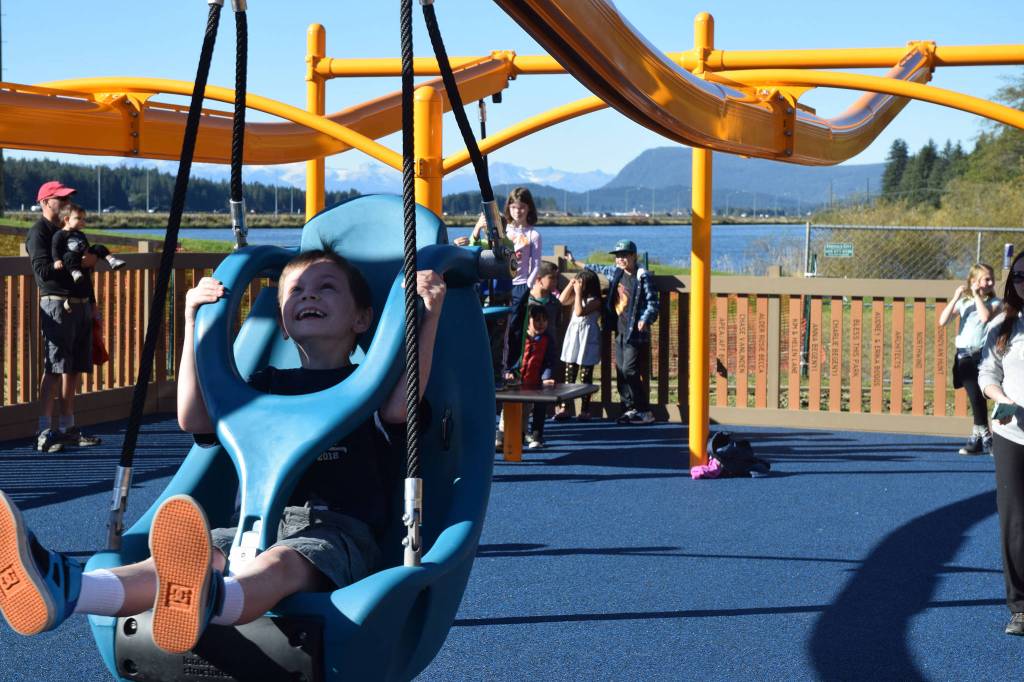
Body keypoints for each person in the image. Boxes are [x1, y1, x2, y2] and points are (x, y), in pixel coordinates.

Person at [0, 249, 447, 655]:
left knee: (284, 562)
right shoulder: (265, 386)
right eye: (296, 291)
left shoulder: (370, 387)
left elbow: (399, 409)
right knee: (178, 562)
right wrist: (196, 321)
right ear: (285, 322)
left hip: (335, 531)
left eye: (326, 287)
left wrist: (426, 315)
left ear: (363, 319)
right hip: (249, 527)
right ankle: (70, 589)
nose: (309, 295)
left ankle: (216, 599)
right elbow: (195, 418)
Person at [24, 181, 101, 452]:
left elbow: (87, 272)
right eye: (60, 199)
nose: (66, 203)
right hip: (56, 304)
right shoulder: (38, 233)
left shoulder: (71, 230)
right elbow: (43, 272)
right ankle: (44, 431)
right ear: (46, 202)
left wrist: (92, 303)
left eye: (68, 198)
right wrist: (79, 263)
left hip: (79, 304)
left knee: (74, 367)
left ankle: (69, 428)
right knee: (55, 367)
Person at [979, 252, 1024, 637]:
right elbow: (986, 373)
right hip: (1012, 434)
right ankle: (1021, 607)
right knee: (1015, 521)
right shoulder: (1003, 325)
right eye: (1020, 276)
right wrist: (1000, 397)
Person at [572, 239, 659, 425]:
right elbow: (597, 268)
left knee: (629, 369)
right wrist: (575, 262)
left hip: (635, 332)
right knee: (620, 370)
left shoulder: (643, 276)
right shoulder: (616, 273)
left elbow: (653, 303)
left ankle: (644, 410)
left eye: (624, 256)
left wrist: (645, 319)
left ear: (633, 256)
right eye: (618, 256)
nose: (620, 259)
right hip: (619, 329)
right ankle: (628, 409)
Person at [938, 263, 1000, 455]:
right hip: (963, 356)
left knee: (980, 397)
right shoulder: (964, 303)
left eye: (992, 279)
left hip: (982, 356)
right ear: (974, 281)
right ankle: (985, 439)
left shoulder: (995, 302)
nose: (990, 282)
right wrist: (956, 297)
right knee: (975, 397)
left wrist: (976, 296)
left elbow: (984, 317)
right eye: (985, 279)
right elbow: (943, 321)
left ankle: (979, 439)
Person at [453, 213, 514, 387]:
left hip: (501, 297)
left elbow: (499, 250)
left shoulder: (507, 244)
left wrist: (491, 232)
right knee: (480, 338)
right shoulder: (480, 244)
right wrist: (476, 231)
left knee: (498, 341)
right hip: (483, 296)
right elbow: (471, 252)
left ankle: (497, 376)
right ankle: (478, 376)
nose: (490, 233)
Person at [503, 305, 557, 449]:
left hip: (537, 382)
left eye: (544, 320)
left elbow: (550, 361)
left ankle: (536, 436)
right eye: (537, 320)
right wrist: (509, 371)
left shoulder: (547, 340)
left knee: (539, 407)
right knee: (515, 409)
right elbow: (512, 357)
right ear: (528, 321)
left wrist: (547, 377)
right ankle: (507, 436)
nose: (541, 324)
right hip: (518, 381)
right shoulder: (520, 338)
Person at [552, 268, 602, 422]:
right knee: (569, 374)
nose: (577, 285)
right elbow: (561, 301)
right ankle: (565, 408)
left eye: (581, 282)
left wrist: (578, 292)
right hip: (574, 337)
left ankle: (585, 410)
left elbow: (579, 312)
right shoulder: (576, 296)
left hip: (587, 339)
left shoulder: (596, 301)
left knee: (585, 376)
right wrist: (571, 285)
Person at [503, 187, 543, 362]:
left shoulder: (533, 234)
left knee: (516, 325)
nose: (517, 211)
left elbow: (535, 263)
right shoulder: (504, 231)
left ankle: (513, 365)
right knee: (501, 324)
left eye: (521, 207)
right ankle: (500, 364)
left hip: (520, 284)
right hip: (503, 282)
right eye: (513, 207)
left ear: (528, 209)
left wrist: (528, 284)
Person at [51, 203, 126, 292]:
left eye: (84, 219)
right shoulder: (60, 234)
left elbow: (85, 245)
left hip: (84, 257)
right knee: (69, 256)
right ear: (67, 219)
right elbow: (55, 248)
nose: (82, 221)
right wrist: (57, 260)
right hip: (72, 259)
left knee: (99, 247)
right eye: (78, 218)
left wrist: (88, 254)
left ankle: (112, 261)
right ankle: (75, 272)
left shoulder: (80, 234)